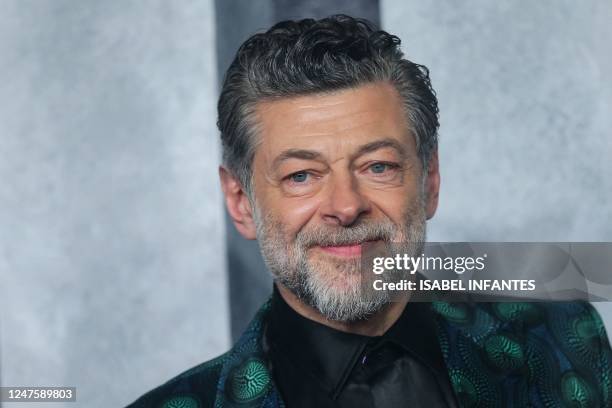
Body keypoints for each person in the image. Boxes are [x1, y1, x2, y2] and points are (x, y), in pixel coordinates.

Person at [127, 15, 612, 408]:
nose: (346, 206)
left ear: (429, 181)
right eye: (301, 175)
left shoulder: (561, 334)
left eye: (378, 166)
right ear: (241, 202)